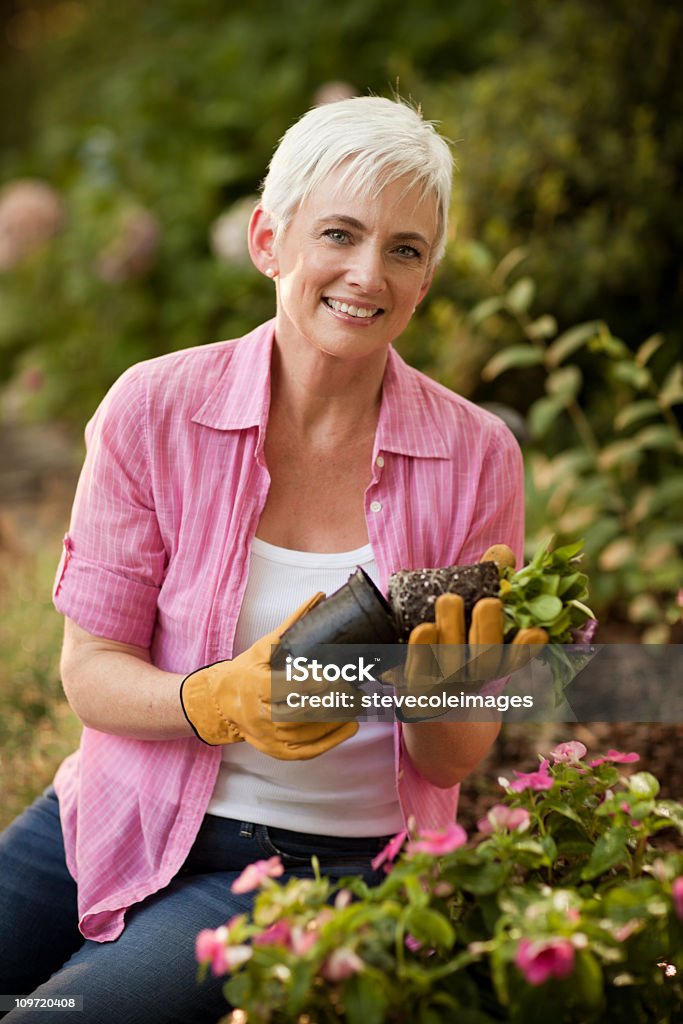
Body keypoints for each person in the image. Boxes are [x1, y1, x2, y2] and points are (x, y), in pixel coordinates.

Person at [0, 96, 524, 1023]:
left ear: (427, 277)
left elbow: (451, 761)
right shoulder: (153, 410)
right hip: (117, 813)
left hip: (317, 863)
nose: (368, 274)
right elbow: (90, 675)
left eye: (404, 249)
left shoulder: (475, 457)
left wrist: (441, 688)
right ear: (267, 240)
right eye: (339, 233)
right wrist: (220, 699)